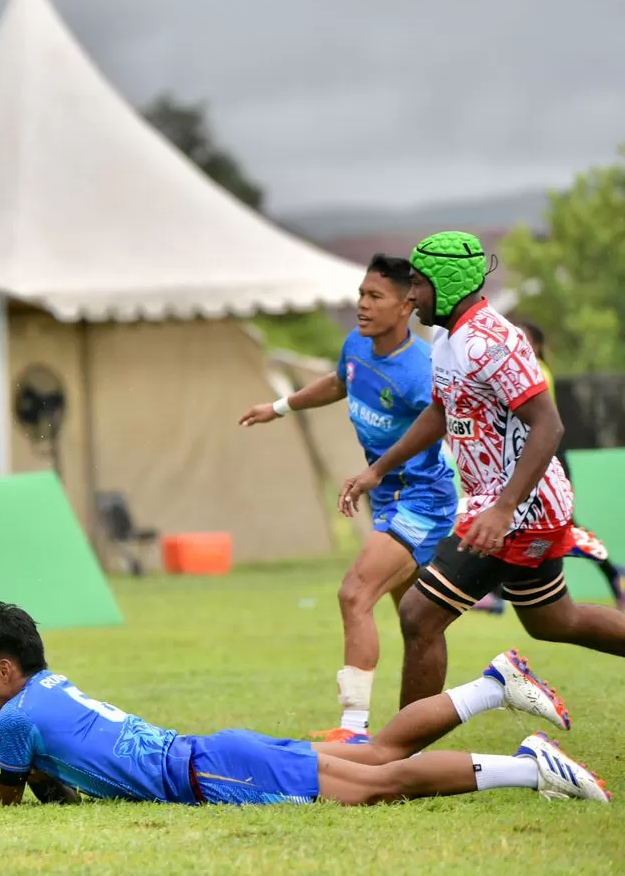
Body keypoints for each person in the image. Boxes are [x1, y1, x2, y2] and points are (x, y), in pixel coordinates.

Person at [339, 231, 625, 709]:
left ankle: (401, 754)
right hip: (503, 507)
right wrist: (379, 471)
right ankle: (405, 751)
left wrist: (503, 509)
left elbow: (548, 425)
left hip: (518, 511)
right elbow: (439, 410)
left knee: (418, 614)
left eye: (418, 285)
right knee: (554, 620)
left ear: (446, 284)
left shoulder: (491, 341)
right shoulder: (447, 337)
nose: (411, 296)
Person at [0, 601, 608, 807]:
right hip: (214, 751)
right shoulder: (49, 687)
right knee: (376, 754)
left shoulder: (15, 718)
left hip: (212, 773)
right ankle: (492, 685)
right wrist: (47, 774)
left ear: (6, 669)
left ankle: (532, 766)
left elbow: (6, 804)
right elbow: (66, 793)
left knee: (382, 783)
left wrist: (26, 773)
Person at [240, 254, 457, 742]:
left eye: (375, 296)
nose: (362, 304)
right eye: (361, 293)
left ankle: (353, 731)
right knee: (419, 622)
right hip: (389, 497)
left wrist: (374, 471)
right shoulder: (357, 344)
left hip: (421, 499)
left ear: (406, 306)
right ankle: (411, 739)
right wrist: (279, 406)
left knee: (354, 594)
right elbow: (341, 382)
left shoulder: (421, 370)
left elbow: (438, 424)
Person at [472, 320, 625, 614]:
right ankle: (494, 594)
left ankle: (607, 568)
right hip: (521, 461)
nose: (514, 345)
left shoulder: (538, 372)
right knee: (509, 520)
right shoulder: (516, 370)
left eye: (522, 339)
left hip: (544, 460)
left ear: (538, 346)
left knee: (559, 527)